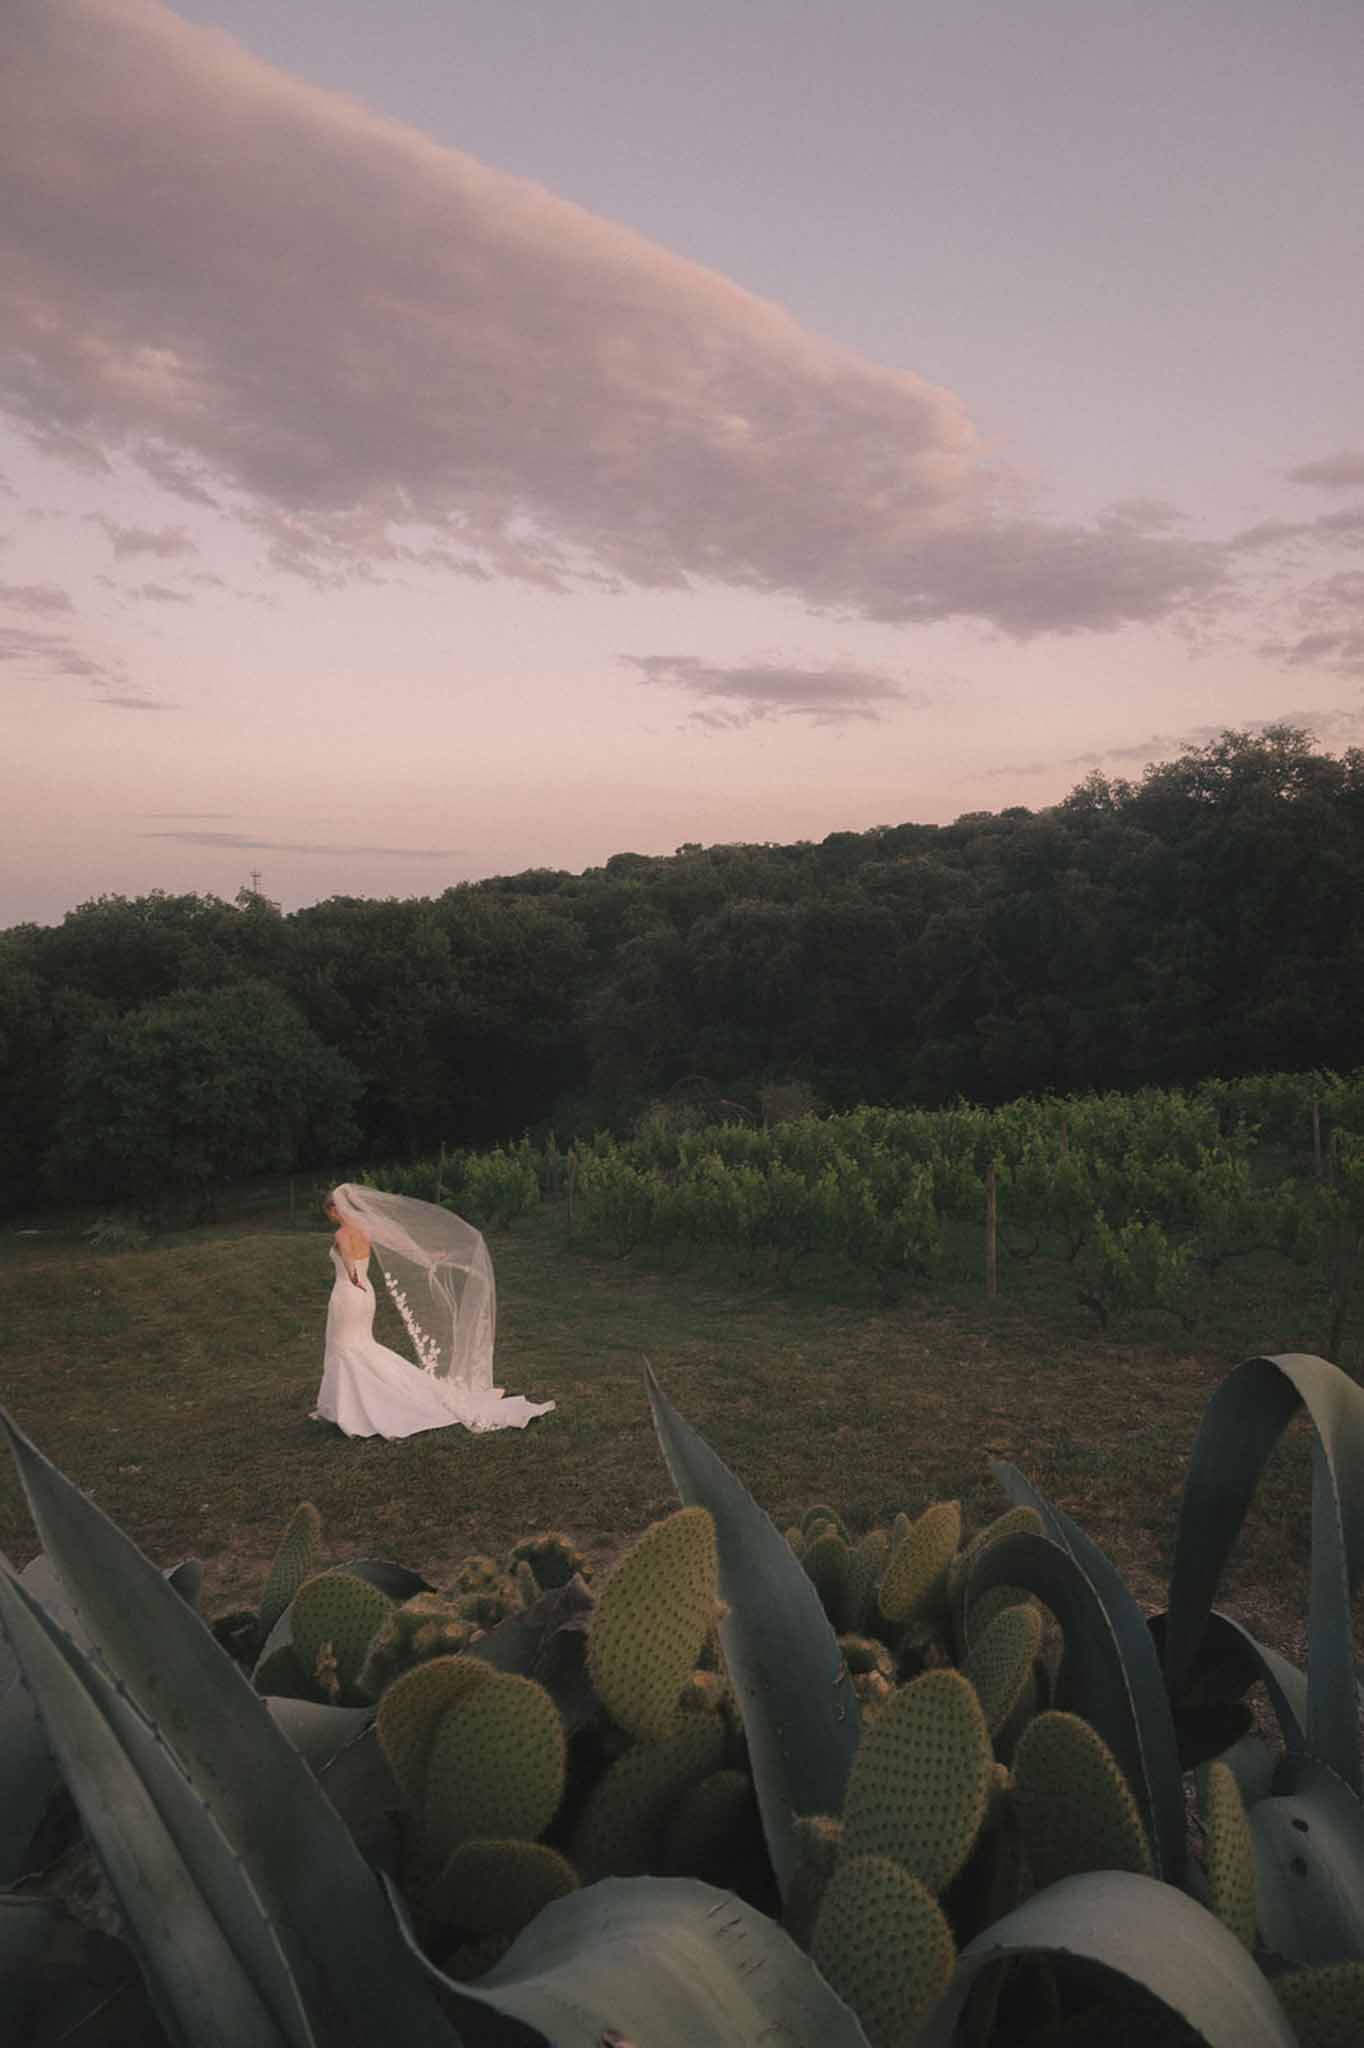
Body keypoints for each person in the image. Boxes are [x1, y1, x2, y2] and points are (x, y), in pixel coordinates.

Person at [310, 1182, 555, 1438]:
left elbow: (348, 1257)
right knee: (362, 1346)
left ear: (335, 1211)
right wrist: (428, 1256)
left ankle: (351, 1407)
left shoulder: (342, 1234)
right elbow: (398, 1242)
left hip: (348, 1293)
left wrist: (352, 1276)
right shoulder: (366, 1231)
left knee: (345, 1346)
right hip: (366, 1296)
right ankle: (352, 1403)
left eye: (331, 1212)